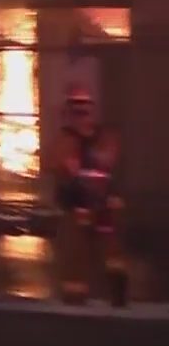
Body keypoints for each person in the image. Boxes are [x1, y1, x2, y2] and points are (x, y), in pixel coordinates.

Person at [55, 82, 125, 305]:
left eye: (83, 108)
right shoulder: (65, 141)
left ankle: (116, 296)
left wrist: (114, 195)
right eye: (75, 109)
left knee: (111, 253)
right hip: (77, 206)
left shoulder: (106, 137)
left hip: (103, 204)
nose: (80, 114)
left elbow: (112, 165)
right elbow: (57, 166)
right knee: (76, 253)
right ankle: (75, 298)